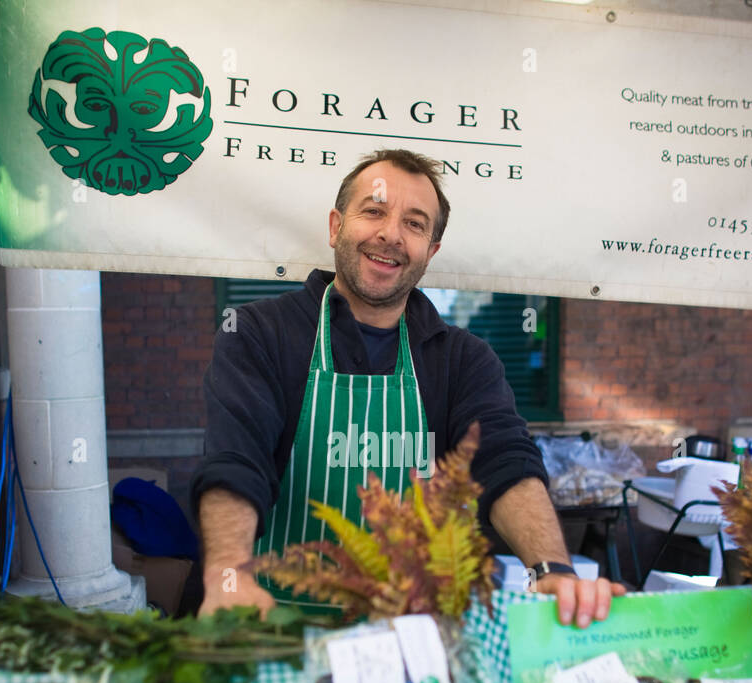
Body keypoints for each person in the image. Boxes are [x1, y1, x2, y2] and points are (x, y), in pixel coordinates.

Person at [190, 149, 624, 627]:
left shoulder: (462, 358)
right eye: (374, 211)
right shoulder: (259, 332)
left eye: (415, 225)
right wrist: (228, 577)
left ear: (430, 252)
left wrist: (552, 569)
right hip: (272, 624)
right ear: (336, 227)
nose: (391, 235)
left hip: (412, 639)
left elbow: (505, 459)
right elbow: (236, 459)